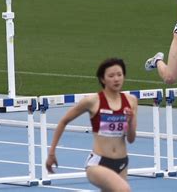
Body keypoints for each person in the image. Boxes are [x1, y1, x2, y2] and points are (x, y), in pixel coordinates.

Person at [46, 58, 137, 192]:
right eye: (111, 76)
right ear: (102, 79)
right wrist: (52, 152)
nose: (116, 79)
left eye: (119, 74)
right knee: (124, 190)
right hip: (99, 163)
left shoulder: (131, 101)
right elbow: (63, 121)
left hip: (122, 162)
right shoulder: (93, 101)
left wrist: (129, 121)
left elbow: (131, 139)